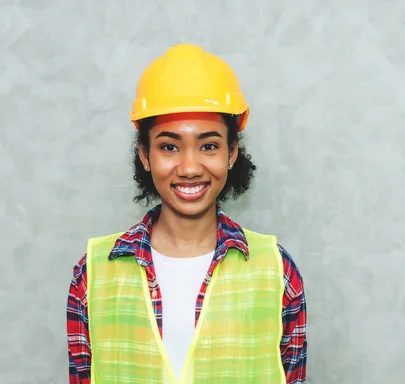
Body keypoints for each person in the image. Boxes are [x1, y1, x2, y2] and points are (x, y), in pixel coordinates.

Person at [67, 44, 307, 384]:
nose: (190, 167)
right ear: (145, 155)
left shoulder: (277, 271)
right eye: (169, 146)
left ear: (232, 153)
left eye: (209, 145)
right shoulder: (92, 275)